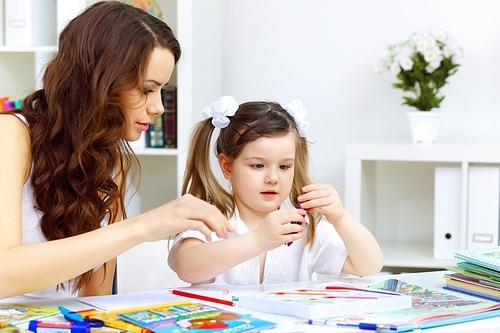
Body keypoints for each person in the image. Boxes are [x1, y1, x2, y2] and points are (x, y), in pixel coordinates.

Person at [0, 1, 232, 300]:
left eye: (161, 90)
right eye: (147, 89)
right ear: (98, 81)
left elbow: (95, 299)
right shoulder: (12, 135)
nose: (159, 107)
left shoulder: (111, 162)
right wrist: (142, 226)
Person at [167, 96, 384, 285]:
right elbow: (187, 267)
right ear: (227, 166)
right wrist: (258, 240)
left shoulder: (305, 226)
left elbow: (369, 265)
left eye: (284, 166)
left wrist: (341, 217)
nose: (273, 178)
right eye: (258, 166)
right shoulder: (209, 220)